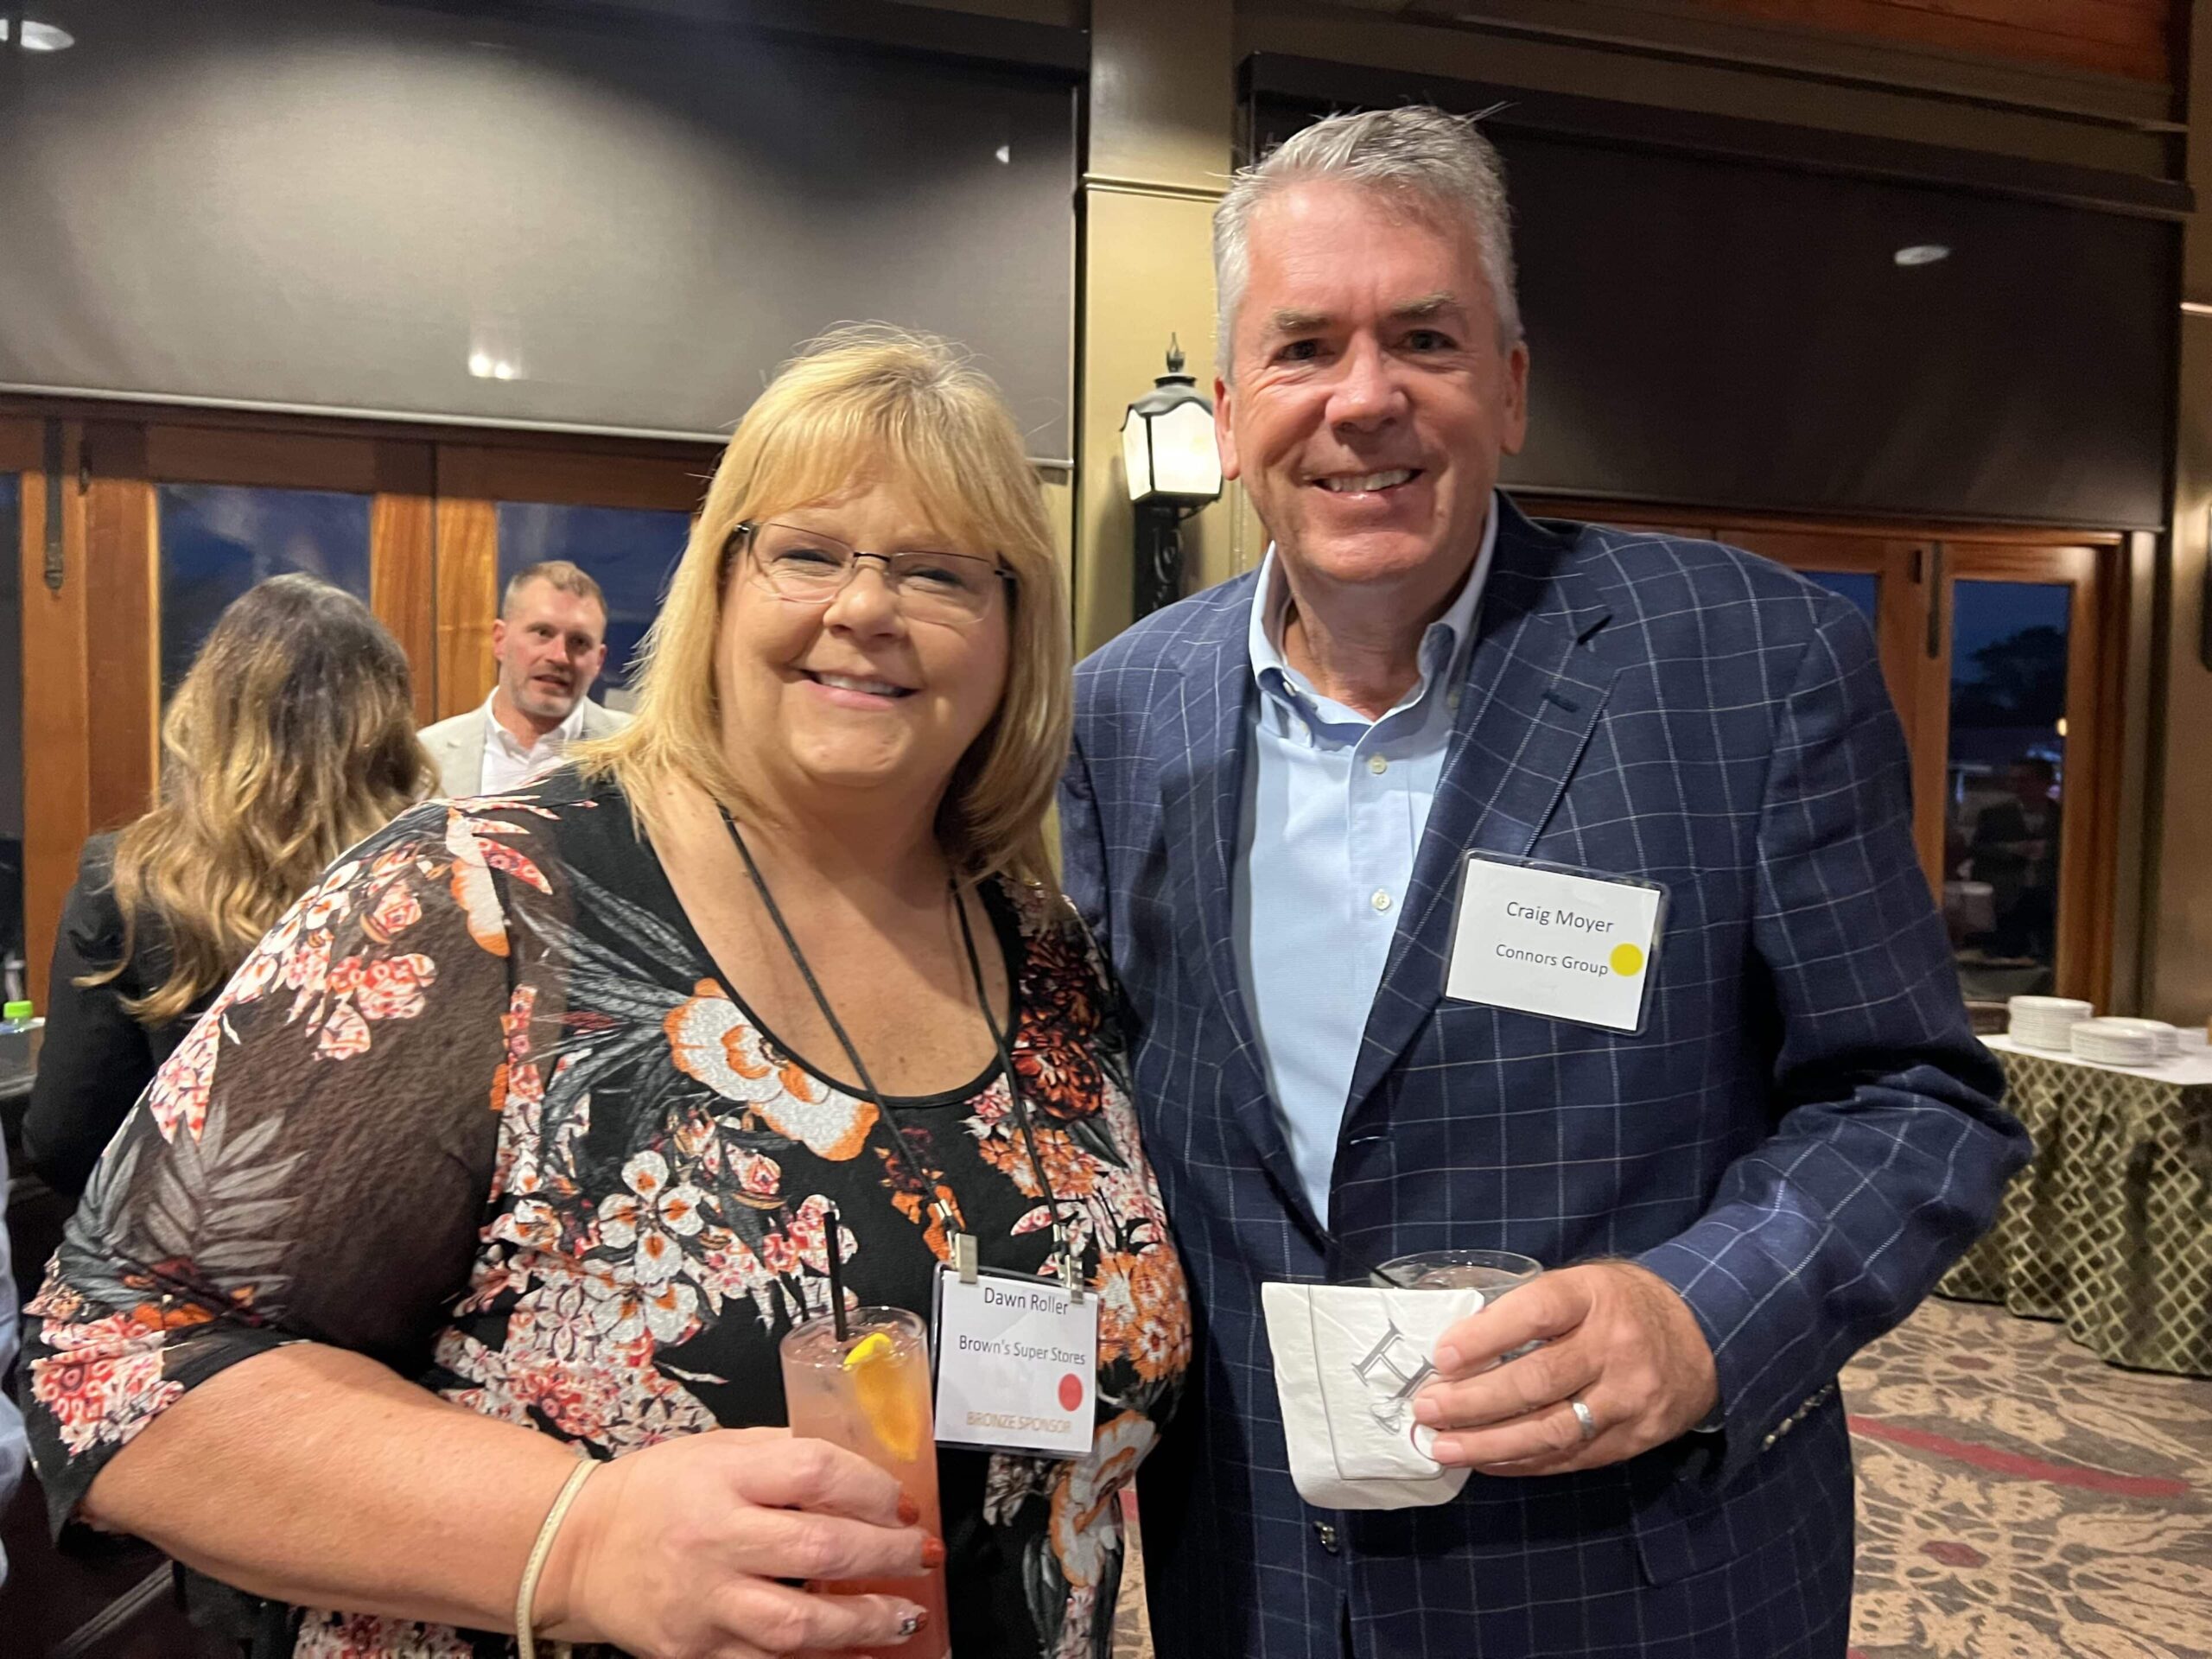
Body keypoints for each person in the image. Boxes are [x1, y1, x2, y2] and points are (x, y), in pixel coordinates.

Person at [22, 327, 1187, 1659]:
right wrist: (576, 1537)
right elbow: (110, 1356)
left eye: (938, 572)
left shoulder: (1043, 950)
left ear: (1015, 631)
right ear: (720, 587)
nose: (867, 607)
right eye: (809, 553)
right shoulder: (478, 904)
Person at [1060, 107, 2029, 1658]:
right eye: (1304, 347)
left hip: (1631, 1575)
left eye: (1424, 339)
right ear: (1233, 414)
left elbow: (1918, 1098)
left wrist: (1707, 1315)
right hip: (1255, 1570)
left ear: (1509, 388)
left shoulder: (1746, 661)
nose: (1363, 398)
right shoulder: (1125, 708)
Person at [22, 575, 435, 1202]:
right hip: (396, 1246)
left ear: (210, 709)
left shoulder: (129, 879)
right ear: (387, 728)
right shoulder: (436, 879)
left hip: (189, 1243)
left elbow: (65, 1140)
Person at [418, 561, 631, 797]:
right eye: (542, 633)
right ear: (500, 640)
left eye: (579, 642)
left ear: (599, 661)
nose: (559, 656)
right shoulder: (425, 758)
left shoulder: (640, 752)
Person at [1968, 756, 2060, 962]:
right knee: (2005, 953)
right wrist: (2011, 850)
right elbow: (1977, 849)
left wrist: (2049, 850)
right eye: (2013, 780)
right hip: (2008, 896)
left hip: (2050, 896)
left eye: (2024, 780)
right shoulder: (1995, 815)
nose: (2016, 786)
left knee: (2050, 955)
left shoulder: (2063, 816)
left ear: (2045, 783)